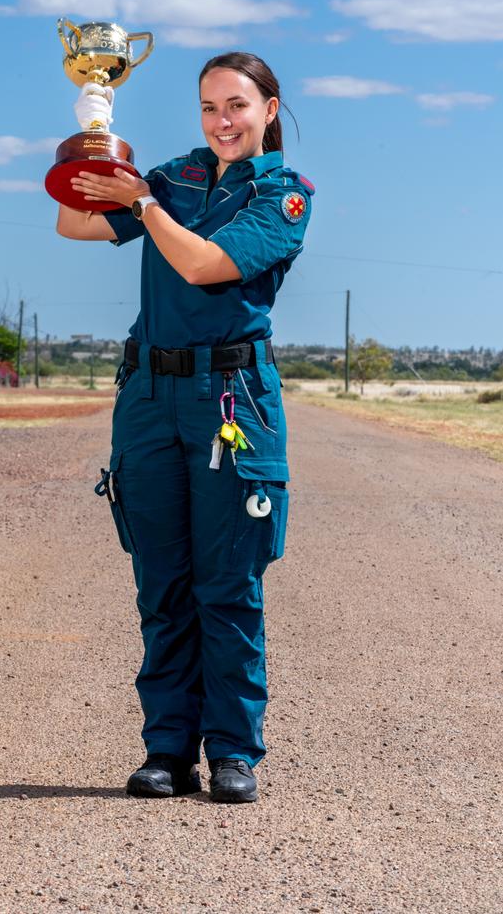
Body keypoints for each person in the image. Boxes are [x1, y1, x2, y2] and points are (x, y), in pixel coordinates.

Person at [56, 51, 314, 804]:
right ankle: (167, 751)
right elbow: (74, 223)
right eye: (207, 107)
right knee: (161, 584)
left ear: (269, 108)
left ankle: (234, 751)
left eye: (235, 105)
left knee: (226, 585)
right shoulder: (173, 175)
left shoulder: (284, 196)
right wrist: (91, 139)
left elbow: (205, 266)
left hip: (231, 396)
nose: (220, 122)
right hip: (149, 395)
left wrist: (142, 206)